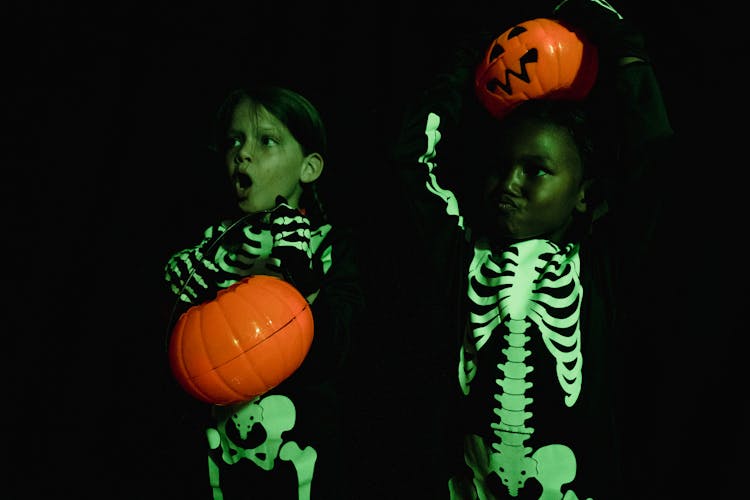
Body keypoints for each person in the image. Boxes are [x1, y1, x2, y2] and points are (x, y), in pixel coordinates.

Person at [388, 0, 682, 497]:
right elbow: (411, 161)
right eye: (500, 168)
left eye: (536, 170)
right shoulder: (464, 254)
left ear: (584, 193)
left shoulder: (599, 266)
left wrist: (626, 51)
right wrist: (471, 62)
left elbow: (651, 158)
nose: (508, 184)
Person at [162, 84, 365, 499]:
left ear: (309, 168)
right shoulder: (211, 247)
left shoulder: (331, 244)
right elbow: (182, 362)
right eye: (234, 141)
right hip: (218, 461)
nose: (243, 153)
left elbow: (338, 351)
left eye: (266, 140)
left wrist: (299, 278)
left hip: (307, 461)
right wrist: (184, 295)